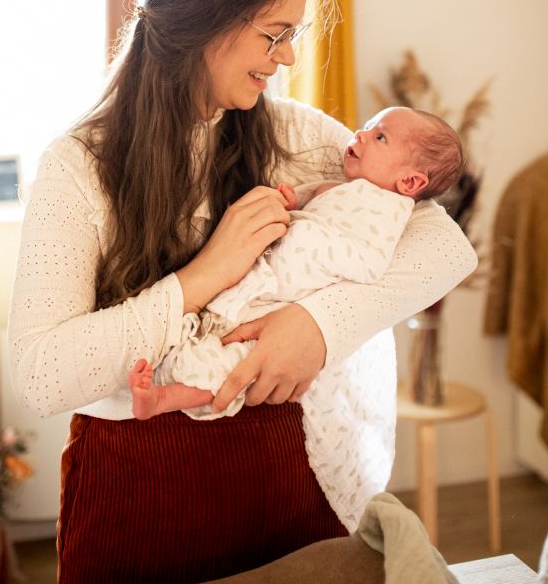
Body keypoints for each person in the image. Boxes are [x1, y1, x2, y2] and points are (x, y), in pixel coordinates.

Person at [8, 0, 477, 584]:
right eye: (274, 34)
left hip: (289, 469)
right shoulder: (77, 167)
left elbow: (445, 248)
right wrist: (205, 274)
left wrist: (318, 325)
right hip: (138, 486)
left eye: (293, 35)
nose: (287, 57)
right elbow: (40, 374)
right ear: (206, 18)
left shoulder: (294, 134)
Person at [128, 106, 463, 529]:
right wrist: (292, 202)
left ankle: (165, 398)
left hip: (292, 292)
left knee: (234, 362)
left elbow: (370, 264)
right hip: (263, 277)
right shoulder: (344, 185)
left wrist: (317, 256)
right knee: (206, 328)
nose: (360, 134)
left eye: (380, 137)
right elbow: (311, 198)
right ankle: (167, 363)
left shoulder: (389, 209)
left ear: (410, 182)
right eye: (367, 127)